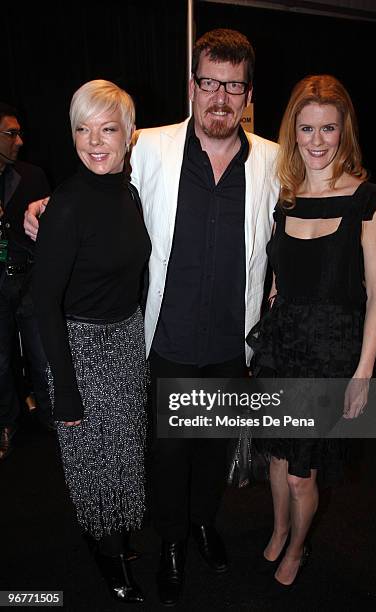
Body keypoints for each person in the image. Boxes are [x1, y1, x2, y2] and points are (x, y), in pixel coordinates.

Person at [24, 29, 280, 606]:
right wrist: (43, 207)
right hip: (161, 335)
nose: (220, 98)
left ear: (247, 94)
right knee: (165, 450)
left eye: (233, 87)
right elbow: (96, 164)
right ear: (192, 86)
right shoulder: (150, 145)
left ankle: (204, 522)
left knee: (212, 446)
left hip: (229, 341)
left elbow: (303, 208)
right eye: (209, 83)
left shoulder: (272, 158)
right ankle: (170, 542)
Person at [247, 74, 376, 587]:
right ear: (293, 132)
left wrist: (364, 373)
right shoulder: (286, 197)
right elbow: (282, 274)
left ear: (344, 130)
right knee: (274, 458)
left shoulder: (368, 201)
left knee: (300, 471)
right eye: (306, 128)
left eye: (327, 129)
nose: (316, 141)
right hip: (282, 346)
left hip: (330, 354)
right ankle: (280, 527)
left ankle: (298, 547)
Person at [31, 80, 151, 603]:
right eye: (83, 129)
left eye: (107, 129)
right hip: (79, 348)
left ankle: (116, 536)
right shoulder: (66, 205)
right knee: (93, 461)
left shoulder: (128, 193)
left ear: (129, 135)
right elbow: (44, 304)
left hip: (126, 340)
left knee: (125, 452)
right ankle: (106, 551)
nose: (95, 141)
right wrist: (66, 389)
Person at [0, 102, 52, 461]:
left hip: (31, 282)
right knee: (0, 360)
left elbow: (52, 231)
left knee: (43, 354)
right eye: (11, 133)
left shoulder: (33, 175)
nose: (19, 140)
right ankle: (7, 422)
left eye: (19, 132)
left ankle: (54, 418)